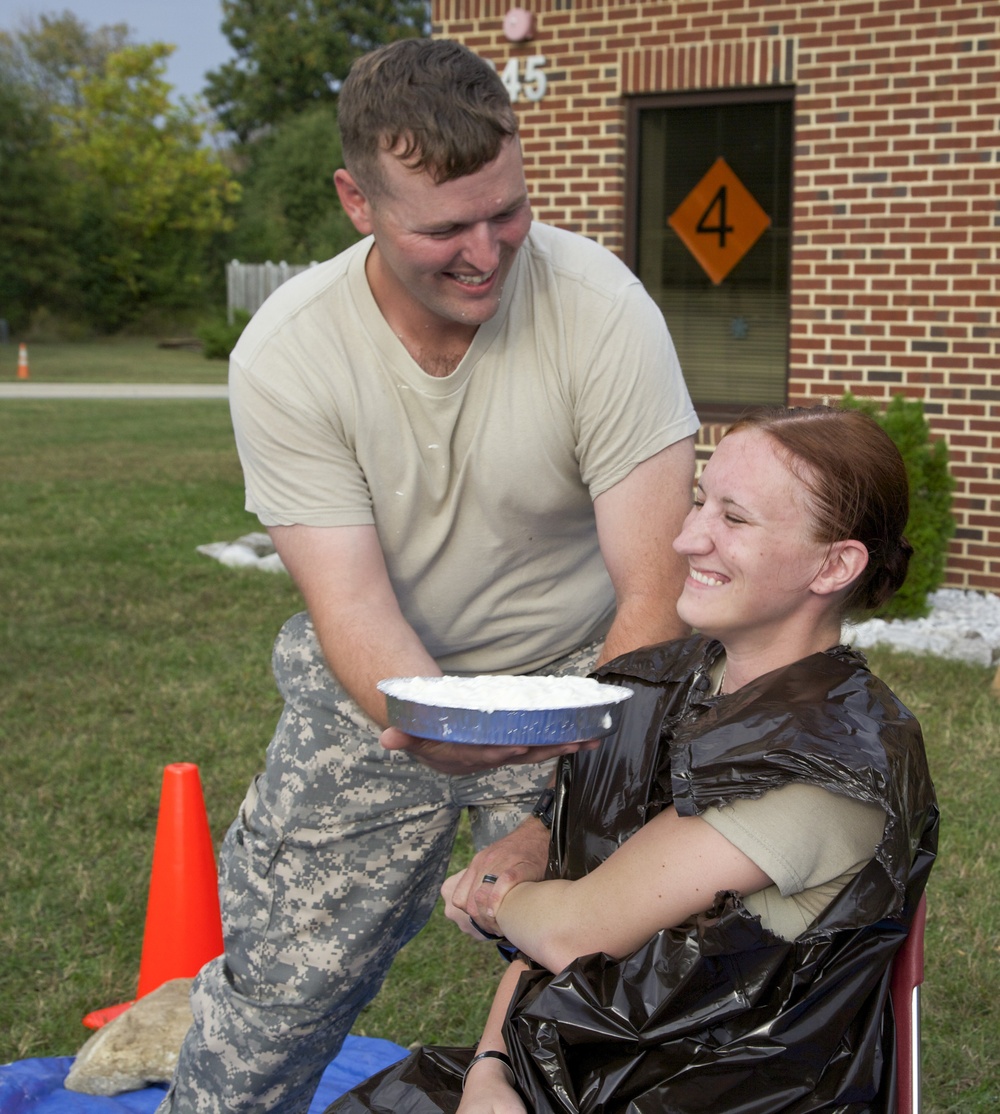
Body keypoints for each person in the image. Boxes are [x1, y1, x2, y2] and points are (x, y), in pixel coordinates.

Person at [160, 36, 699, 1114]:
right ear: (356, 200)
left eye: (508, 211)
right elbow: (351, 603)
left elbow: (653, 595)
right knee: (278, 992)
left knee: (619, 978)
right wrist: (426, 719)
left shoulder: (604, 312)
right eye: (444, 227)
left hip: (580, 678)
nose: (487, 251)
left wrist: (561, 810)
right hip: (383, 679)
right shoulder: (289, 351)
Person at [328, 405, 939, 1114]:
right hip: (566, 1071)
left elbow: (573, 928)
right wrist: (491, 1071)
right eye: (700, 501)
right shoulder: (658, 686)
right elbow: (564, 906)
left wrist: (494, 899)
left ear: (834, 564)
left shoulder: (832, 764)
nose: (686, 538)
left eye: (734, 520)